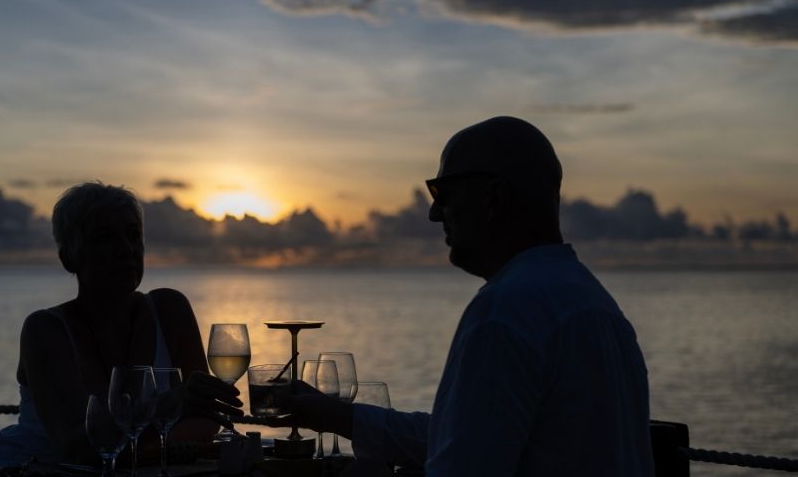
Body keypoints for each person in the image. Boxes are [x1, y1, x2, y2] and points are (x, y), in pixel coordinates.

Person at [274, 116, 654, 476]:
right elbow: (475, 437)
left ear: (493, 197)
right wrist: (339, 417)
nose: (434, 213)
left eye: (443, 192)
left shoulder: (505, 311)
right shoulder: (593, 302)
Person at [0, 182, 242, 476]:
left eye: (133, 235)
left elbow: (205, 419)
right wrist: (172, 407)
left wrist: (140, 455)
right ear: (69, 258)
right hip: (30, 468)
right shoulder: (46, 330)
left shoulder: (169, 310)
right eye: (105, 238)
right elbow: (77, 446)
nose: (125, 249)